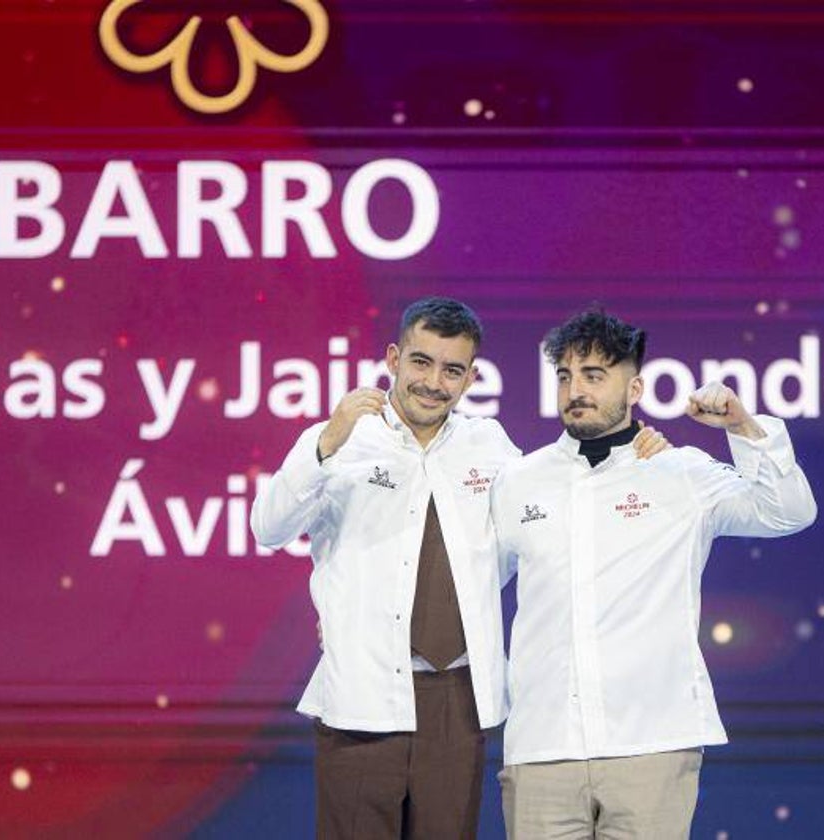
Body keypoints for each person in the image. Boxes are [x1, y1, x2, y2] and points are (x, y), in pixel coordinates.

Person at [251, 297, 666, 839]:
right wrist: (328, 440)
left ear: (470, 378)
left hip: (458, 699)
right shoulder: (342, 440)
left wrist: (631, 454)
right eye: (421, 362)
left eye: (452, 370)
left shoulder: (489, 445)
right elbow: (269, 527)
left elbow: (555, 509)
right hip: (361, 694)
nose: (433, 382)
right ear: (393, 358)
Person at [491, 307, 817, 839]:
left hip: (653, 743)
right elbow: (471, 586)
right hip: (543, 745)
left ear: (635, 387)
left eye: (595, 376)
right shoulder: (519, 482)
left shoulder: (679, 473)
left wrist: (742, 425)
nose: (577, 389)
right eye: (566, 376)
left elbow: (790, 511)